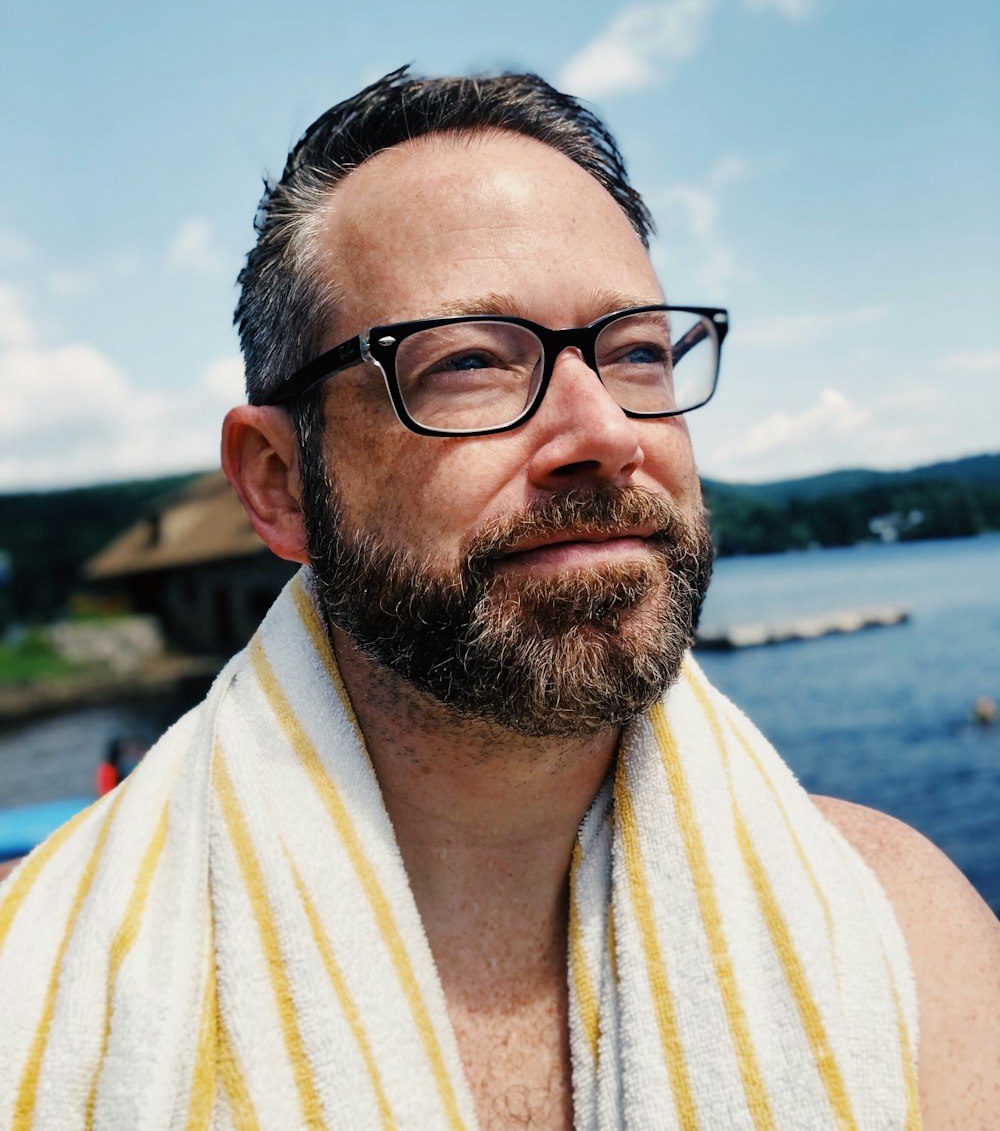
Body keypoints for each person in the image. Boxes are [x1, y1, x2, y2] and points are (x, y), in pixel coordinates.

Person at [1, 69, 997, 1130]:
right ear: (279, 483)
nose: (605, 429)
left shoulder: (901, 937)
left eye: (638, 350)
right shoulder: (35, 982)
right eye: (470, 360)